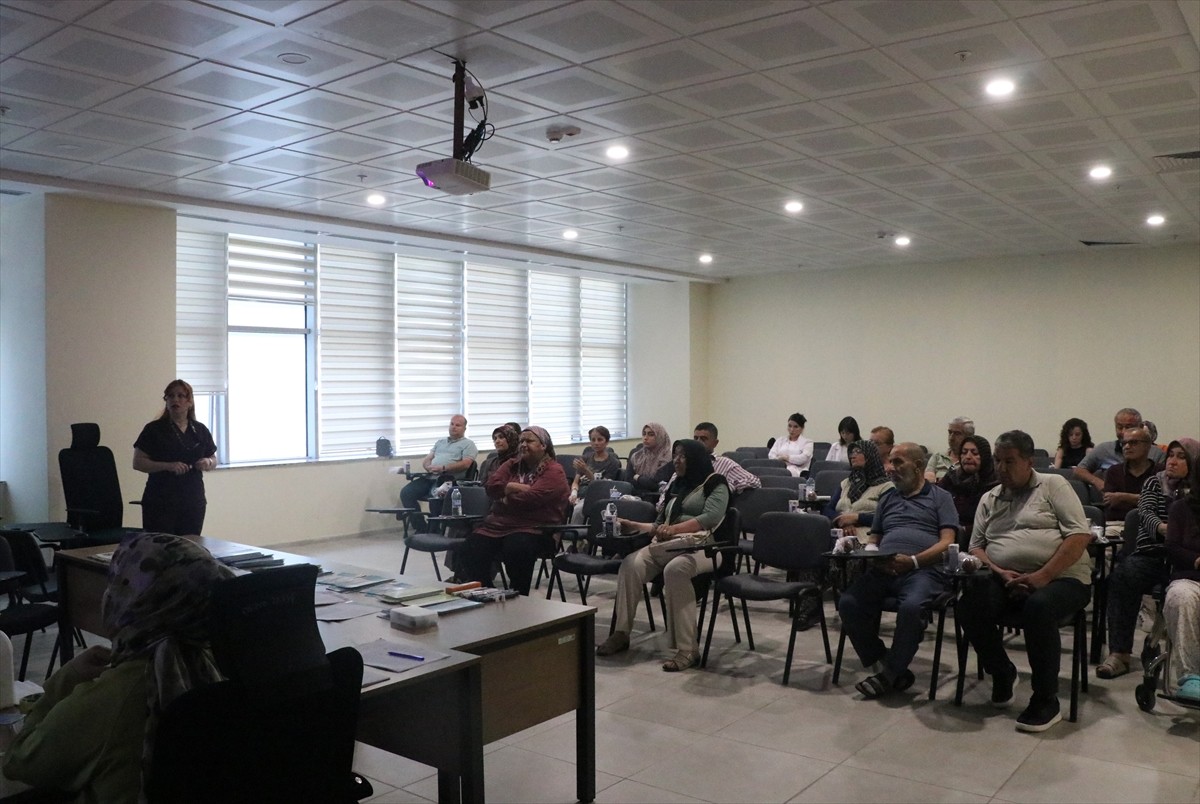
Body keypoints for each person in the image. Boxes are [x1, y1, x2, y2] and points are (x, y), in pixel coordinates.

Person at [4, 533, 233, 802]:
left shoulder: (116, 695)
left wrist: (67, 678)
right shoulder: (222, 666)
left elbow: (21, 762)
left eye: (119, 585)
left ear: (135, 602)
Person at [958, 430, 1093, 733]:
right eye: (997, 461)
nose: (1002, 468)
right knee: (968, 605)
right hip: (1006, 578)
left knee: (1039, 607)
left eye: (1010, 461)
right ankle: (1002, 671)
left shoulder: (1053, 485)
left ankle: (1046, 699)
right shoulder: (989, 498)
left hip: (1063, 577)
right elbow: (976, 546)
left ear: (1029, 461)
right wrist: (999, 570)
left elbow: (1079, 535)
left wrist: (1042, 576)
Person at [596, 439, 730, 672]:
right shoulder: (676, 484)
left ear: (695, 459)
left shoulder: (716, 483)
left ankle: (688, 650)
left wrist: (675, 529)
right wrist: (633, 525)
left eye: (682, 456)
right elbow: (659, 525)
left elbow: (711, 518)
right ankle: (621, 632)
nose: (676, 460)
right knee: (630, 564)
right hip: (668, 545)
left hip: (706, 548)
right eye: (675, 455)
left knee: (676, 570)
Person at [837, 443, 958, 698]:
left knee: (912, 608)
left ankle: (889, 674)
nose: (891, 468)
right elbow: (875, 539)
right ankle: (890, 665)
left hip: (924, 571)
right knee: (848, 602)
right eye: (890, 462)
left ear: (918, 466)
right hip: (884, 569)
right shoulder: (888, 498)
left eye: (898, 462)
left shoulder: (940, 497)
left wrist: (913, 561)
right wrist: (871, 556)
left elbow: (948, 541)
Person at [1096, 438, 1198, 680]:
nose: (1173, 461)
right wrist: (1169, 529)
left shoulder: (1196, 490)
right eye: (1170, 455)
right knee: (1123, 575)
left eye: (1181, 456)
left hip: (1186, 560)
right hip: (1154, 553)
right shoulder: (1155, 482)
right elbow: (1146, 513)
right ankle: (1119, 653)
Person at [460, 426, 569, 596]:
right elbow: (491, 486)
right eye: (521, 441)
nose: (523, 445)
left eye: (529, 441)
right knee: (470, 547)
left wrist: (504, 498)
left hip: (538, 528)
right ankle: (488, 593)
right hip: (500, 525)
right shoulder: (512, 464)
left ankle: (519, 596)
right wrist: (511, 486)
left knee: (517, 547)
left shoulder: (554, 470)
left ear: (543, 446)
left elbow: (533, 498)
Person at [133, 379, 219, 536]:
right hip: (161, 500)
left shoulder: (199, 430)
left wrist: (208, 462)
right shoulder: (154, 429)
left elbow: (213, 458)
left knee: (189, 547)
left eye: (181, 396)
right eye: (170, 396)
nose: (175, 400)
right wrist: (167, 466)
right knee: (162, 549)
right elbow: (138, 462)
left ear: (190, 402)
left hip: (193, 499)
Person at [400, 415, 479, 531]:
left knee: (435, 497)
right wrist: (428, 467)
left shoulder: (468, 444)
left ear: (464, 429)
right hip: (431, 476)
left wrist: (443, 468)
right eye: (452, 424)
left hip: (448, 480)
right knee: (406, 493)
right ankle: (421, 528)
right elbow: (427, 459)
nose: (454, 427)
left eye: (458, 425)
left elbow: (466, 464)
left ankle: (434, 530)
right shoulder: (440, 442)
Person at [1164, 456, 1200, 701]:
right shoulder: (1181, 508)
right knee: (1181, 597)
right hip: (1191, 578)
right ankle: (1191, 676)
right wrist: (1197, 560)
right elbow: (1172, 548)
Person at [1074, 407, 1164, 492]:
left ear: (1140, 427)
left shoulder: (1156, 453)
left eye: (1129, 427)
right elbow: (1079, 470)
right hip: (1111, 502)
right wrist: (1097, 482)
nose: (1124, 432)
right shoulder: (1104, 449)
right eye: (1120, 427)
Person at [823, 440, 894, 537]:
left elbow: (889, 518)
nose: (852, 456)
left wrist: (858, 518)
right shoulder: (846, 483)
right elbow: (828, 509)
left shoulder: (886, 486)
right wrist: (842, 520)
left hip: (868, 536)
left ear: (870, 455)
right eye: (851, 452)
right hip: (839, 533)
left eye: (858, 452)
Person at [1100, 425, 1161, 536]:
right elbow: (1110, 502)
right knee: (1106, 548)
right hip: (1117, 525)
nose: (1127, 447)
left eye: (1133, 443)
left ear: (1148, 445)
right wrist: (1142, 499)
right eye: (1124, 443)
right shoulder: (1114, 471)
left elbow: (1161, 503)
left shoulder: (1160, 472)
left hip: (1151, 525)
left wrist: (1123, 497)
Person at [938, 434, 999, 540]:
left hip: (981, 536)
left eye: (974, 453)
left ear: (984, 456)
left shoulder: (995, 482)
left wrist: (963, 530)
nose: (968, 457)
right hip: (946, 530)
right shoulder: (952, 477)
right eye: (964, 452)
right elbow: (935, 499)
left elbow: (994, 521)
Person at [686, 422, 762, 495]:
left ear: (715, 443)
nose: (698, 442)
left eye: (703, 439)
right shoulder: (686, 462)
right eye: (696, 438)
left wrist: (726, 488)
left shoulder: (725, 463)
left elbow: (754, 481)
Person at [568, 425, 622, 522]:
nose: (596, 443)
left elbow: (602, 487)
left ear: (607, 442)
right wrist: (574, 493)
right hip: (580, 493)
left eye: (600, 440)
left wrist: (586, 471)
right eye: (593, 440)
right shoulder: (586, 458)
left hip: (596, 495)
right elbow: (576, 481)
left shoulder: (613, 462)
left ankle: (574, 535)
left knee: (578, 510)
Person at [625, 422, 674, 493]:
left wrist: (638, 477)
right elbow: (628, 480)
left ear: (660, 437)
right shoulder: (636, 456)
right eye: (644, 434)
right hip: (635, 495)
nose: (645, 438)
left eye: (651, 435)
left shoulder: (667, 458)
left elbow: (655, 485)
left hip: (656, 498)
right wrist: (645, 482)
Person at [925, 417, 974, 482]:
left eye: (957, 434)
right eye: (950, 432)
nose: (951, 438)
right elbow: (928, 478)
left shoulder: (971, 459)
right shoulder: (938, 456)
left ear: (969, 437)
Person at [767, 413, 814, 477]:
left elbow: (802, 458)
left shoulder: (808, 443)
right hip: (778, 470)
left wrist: (786, 458)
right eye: (789, 426)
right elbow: (771, 455)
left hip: (798, 473)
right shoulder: (780, 440)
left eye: (796, 427)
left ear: (802, 428)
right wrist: (780, 459)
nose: (792, 430)